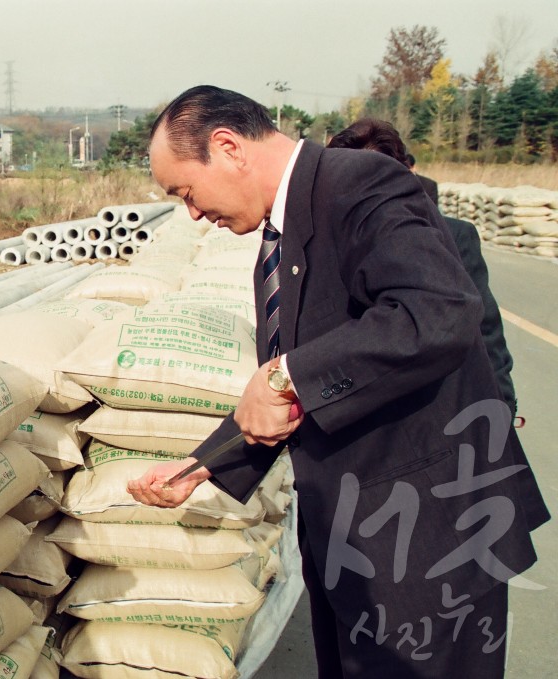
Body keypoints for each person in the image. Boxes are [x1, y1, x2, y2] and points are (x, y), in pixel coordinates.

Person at [127, 86, 549, 678]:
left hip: (431, 546)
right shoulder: (281, 236)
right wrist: (203, 466)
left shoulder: (360, 186)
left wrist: (284, 374)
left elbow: (437, 310)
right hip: (357, 542)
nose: (193, 213)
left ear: (227, 147)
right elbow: (302, 394)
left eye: (186, 192)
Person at [326, 118, 518, 415]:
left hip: (439, 410)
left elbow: (486, 334)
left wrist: (503, 408)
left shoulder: (453, 236)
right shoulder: (325, 241)